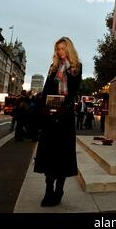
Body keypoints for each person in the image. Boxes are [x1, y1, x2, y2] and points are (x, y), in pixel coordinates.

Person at [34, 37, 82, 207]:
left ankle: (59, 190)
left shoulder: (76, 68)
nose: (60, 52)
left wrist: (62, 108)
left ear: (68, 49)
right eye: (58, 49)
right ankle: (48, 190)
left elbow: (74, 91)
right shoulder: (53, 67)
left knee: (62, 155)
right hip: (50, 116)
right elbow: (47, 90)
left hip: (65, 117)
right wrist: (45, 108)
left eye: (63, 48)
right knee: (48, 154)